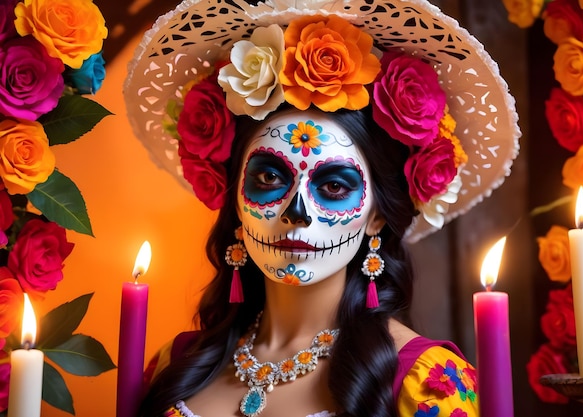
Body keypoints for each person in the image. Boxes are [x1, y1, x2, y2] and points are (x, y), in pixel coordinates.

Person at [123, 0, 521, 416]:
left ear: (377, 215)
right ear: (235, 199)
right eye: (269, 178)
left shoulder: (429, 382)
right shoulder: (173, 365)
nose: (297, 212)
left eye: (333, 185)